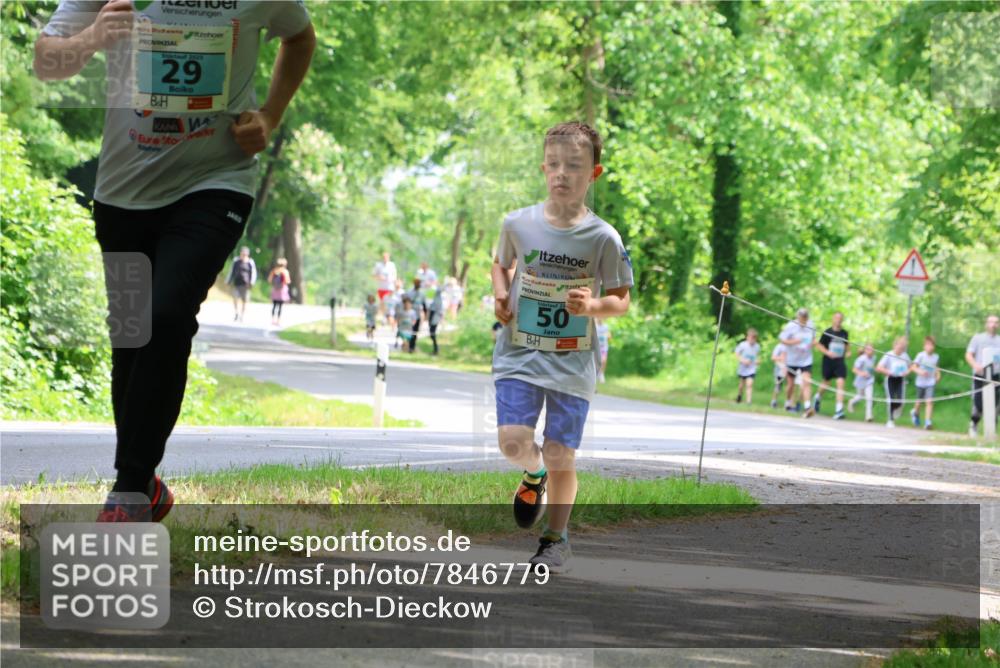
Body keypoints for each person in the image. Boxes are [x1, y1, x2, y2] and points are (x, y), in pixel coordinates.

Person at [34, 1, 315, 522]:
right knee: (131, 337)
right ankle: (144, 483)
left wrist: (270, 116)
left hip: (216, 183)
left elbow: (300, 38)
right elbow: (47, 61)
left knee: (165, 317)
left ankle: (129, 488)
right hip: (123, 193)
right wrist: (92, 36)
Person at [491, 122, 633, 574]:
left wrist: (593, 304)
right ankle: (532, 475)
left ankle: (555, 539)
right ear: (543, 168)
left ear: (594, 172)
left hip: (572, 360)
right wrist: (500, 296)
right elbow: (501, 264)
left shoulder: (603, 237)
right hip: (519, 352)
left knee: (560, 453)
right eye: (553, 165)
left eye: (574, 166)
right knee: (514, 443)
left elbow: (621, 300)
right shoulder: (517, 222)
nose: (562, 174)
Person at [965, 314, 1000, 438]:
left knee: (995, 404)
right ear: (986, 324)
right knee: (978, 403)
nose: (993, 325)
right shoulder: (978, 338)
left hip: (996, 376)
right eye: (991, 322)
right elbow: (969, 355)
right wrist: (976, 365)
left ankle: (991, 432)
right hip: (980, 375)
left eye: (996, 322)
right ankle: (973, 424)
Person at [780, 308, 817, 417]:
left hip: (806, 359)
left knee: (806, 382)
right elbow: (782, 340)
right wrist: (793, 342)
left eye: (805, 318)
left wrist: (812, 344)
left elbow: (814, 339)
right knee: (791, 384)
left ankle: (807, 406)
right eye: (802, 318)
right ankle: (788, 402)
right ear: (798, 317)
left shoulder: (811, 325)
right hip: (792, 359)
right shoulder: (790, 326)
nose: (803, 320)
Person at [814, 312, 850, 419]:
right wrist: (827, 352)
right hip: (828, 361)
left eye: (840, 318)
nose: (838, 320)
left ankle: (839, 409)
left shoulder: (844, 333)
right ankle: (817, 397)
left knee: (840, 382)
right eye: (836, 318)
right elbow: (819, 345)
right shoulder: (827, 332)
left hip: (839, 361)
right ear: (833, 319)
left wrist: (848, 352)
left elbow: (847, 345)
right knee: (826, 382)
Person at [877, 336, 911, 428]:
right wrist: (888, 372)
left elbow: (911, 366)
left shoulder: (905, 356)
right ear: (895, 345)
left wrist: (906, 372)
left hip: (900, 380)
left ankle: (896, 410)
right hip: (890, 379)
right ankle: (890, 420)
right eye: (900, 348)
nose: (901, 350)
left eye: (903, 348)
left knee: (901, 400)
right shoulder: (889, 354)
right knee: (891, 399)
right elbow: (879, 367)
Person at [909, 336, 941, 430]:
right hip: (920, 382)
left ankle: (928, 422)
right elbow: (913, 367)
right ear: (924, 346)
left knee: (929, 401)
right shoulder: (921, 355)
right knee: (919, 402)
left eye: (931, 345)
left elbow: (937, 368)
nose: (930, 347)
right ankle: (915, 413)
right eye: (928, 345)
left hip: (930, 382)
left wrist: (938, 375)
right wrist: (920, 371)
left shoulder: (936, 357)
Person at [225, 246, 257, 322]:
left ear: (247, 254)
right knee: (235, 298)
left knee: (244, 300)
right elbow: (231, 271)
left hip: (246, 284)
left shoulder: (250, 262)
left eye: (245, 254)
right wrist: (228, 281)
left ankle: (242, 315)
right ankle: (236, 313)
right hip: (237, 283)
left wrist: (252, 282)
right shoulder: (236, 261)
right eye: (242, 253)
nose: (243, 255)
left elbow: (253, 273)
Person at [848, 343, 876, 422]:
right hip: (860, 381)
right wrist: (862, 373)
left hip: (869, 381)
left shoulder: (874, 358)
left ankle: (868, 416)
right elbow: (854, 369)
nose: (870, 351)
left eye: (871, 349)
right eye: (868, 349)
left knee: (869, 397)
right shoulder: (861, 359)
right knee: (860, 397)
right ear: (865, 350)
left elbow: (871, 367)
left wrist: (874, 369)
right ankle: (851, 402)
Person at [734, 328, 760, 404]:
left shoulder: (757, 346)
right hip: (743, 368)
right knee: (741, 385)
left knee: (749, 384)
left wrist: (757, 361)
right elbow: (737, 354)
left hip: (751, 368)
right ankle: (739, 395)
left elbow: (757, 356)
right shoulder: (743, 345)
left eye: (754, 338)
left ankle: (749, 401)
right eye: (751, 337)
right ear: (747, 337)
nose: (752, 339)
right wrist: (743, 360)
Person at [373, 251, 397, 316]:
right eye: (384, 257)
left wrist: (395, 286)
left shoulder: (392, 265)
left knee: (389, 303)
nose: (385, 258)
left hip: (390, 287)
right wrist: (380, 277)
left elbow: (395, 276)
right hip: (382, 287)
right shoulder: (378, 265)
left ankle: (389, 316)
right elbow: (374, 275)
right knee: (382, 303)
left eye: (386, 257)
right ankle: (384, 316)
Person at [268, 259, 291, 326]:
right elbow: (287, 281)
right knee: (280, 306)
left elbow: (269, 280)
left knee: (274, 306)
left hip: (275, 290)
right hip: (282, 291)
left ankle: (273, 320)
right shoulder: (285, 271)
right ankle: (278, 321)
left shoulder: (274, 271)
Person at [405, 277, 425, 353]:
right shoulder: (410, 292)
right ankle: (408, 345)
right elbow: (406, 302)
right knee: (409, 330)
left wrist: (425, 314)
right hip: (410, 314)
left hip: (418, 314)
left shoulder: (422, 293)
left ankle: (412, 347)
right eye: (417, 283)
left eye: (419, 283)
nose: (418, 284)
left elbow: (424, 304)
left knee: (415, 331)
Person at [426, 285, 444, 355]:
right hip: (433, 317)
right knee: (431, 333)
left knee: (432, 333)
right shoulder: (435, 299)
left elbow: (439, 311)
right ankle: (435, 349)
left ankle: (436, 349)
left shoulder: (438, 300)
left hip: (435, 318)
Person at [770, 341, 787, 409]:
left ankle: (788, 403)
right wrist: (781, 358)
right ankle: (773, 401)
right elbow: (773, 358)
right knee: (778, 386)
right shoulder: (779, 346)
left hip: (789, 369)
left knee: (789, 386)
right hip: (779, 369)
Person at [595, 318, 611, 383]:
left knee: (604, 360)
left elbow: (609, 336)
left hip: (603, 347)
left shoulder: (606, 326)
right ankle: (596, 374)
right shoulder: (595, 325)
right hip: (596, 346)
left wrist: (606, 336)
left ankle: (601, 374)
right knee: (595, 361)